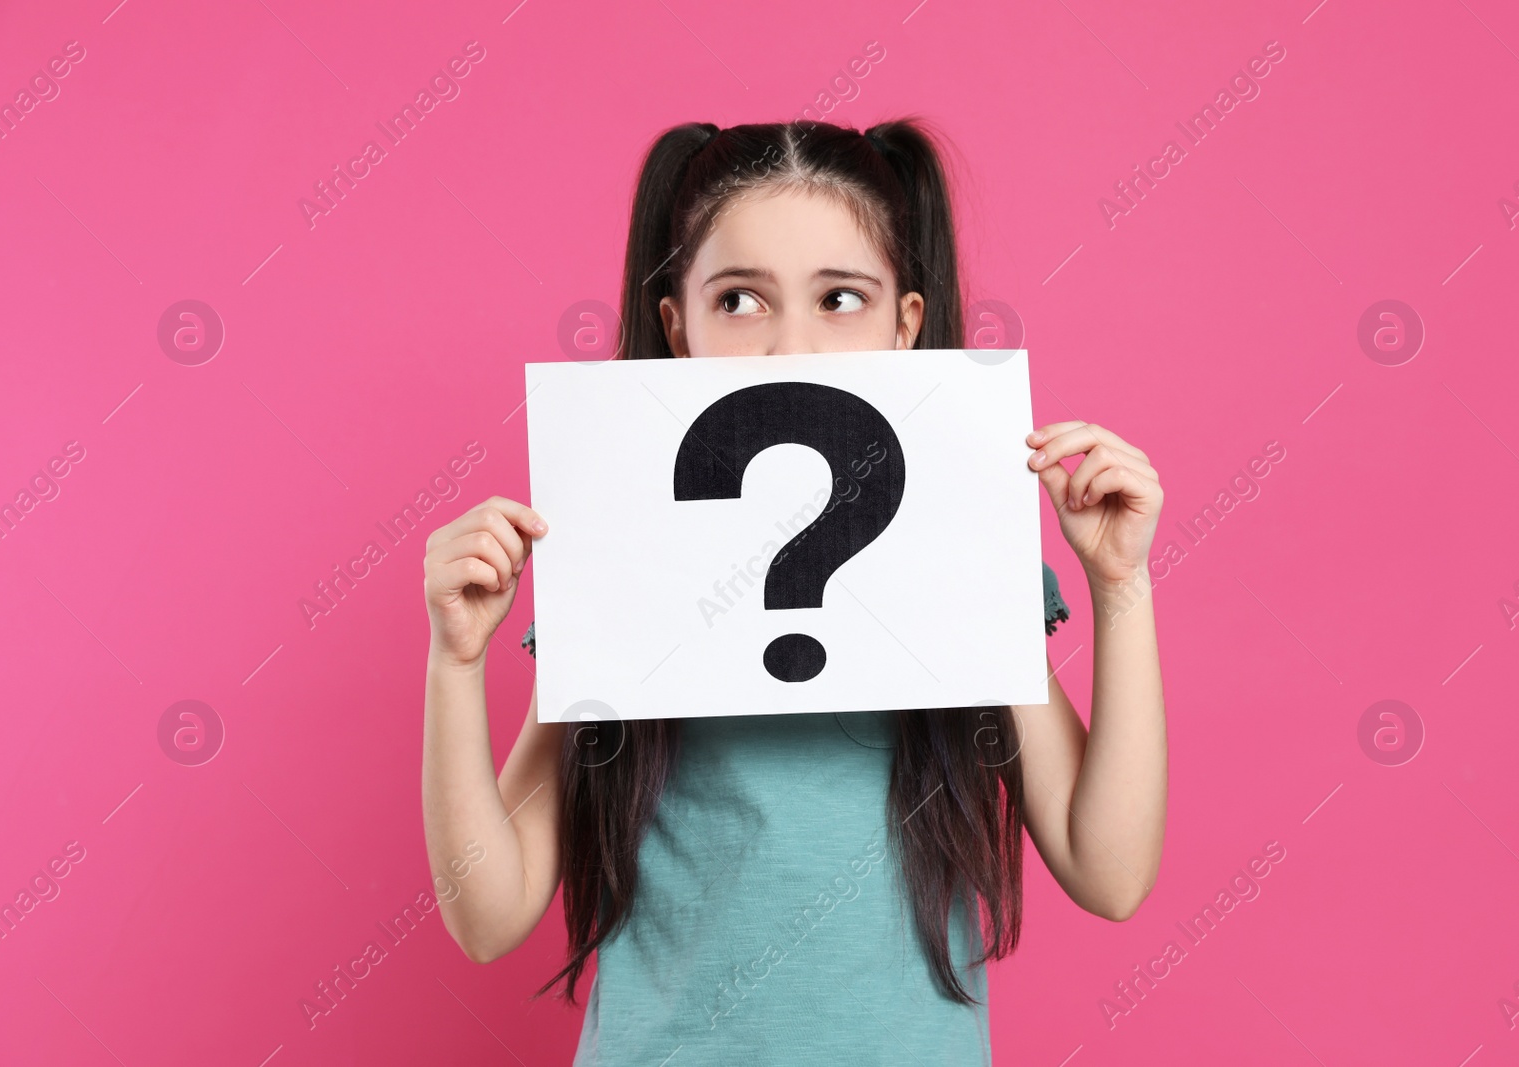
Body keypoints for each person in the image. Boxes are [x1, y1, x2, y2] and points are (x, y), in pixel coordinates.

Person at [421, 118, 1167, 1065]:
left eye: (841, 298)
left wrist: (1120, 586)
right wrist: (455, 662)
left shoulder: (957, 558)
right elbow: (489, 915)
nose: (789, 347)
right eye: (738, 300)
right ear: (675, 327)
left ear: (905, 323)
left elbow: (1110, 869)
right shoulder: (627, 564)